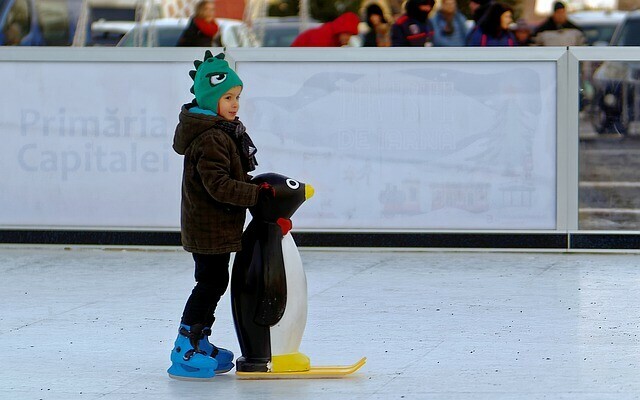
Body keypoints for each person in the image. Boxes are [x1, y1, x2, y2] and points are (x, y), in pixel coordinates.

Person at [168, 51, 272, 380]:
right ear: (209, 98)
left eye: (237, 97)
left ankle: (201, 340)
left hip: (216, 225)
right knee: (210, 282)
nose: (235, 104)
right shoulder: (212, 137)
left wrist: (254, 186)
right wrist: (255, 193)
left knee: (214, 281)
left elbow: (230, 179)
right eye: (227, 97)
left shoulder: (223, 132)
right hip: (208, 226)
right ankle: (186, 345)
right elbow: (218, 185)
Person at [290, 12, 360, 47]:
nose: (348, 38)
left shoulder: (333, 38)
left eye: (350, 35)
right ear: (339, 31)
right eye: (346, 33)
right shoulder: (324, 37)